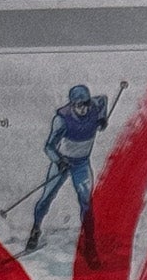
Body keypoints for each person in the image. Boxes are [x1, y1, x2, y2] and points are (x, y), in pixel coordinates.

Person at [24, 83, 110, 265]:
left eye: (86, 104)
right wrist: (59, 160)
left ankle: (89, 244)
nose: (84, 109)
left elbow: (103, 99)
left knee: (86, 202)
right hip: (63, 163)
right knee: (46, 198)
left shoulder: (94, 107)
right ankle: (35, 229)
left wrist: (102, 117)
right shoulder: (62, 119)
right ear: (72, 104)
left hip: (82, 164)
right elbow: (48, 147)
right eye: (79, 105)